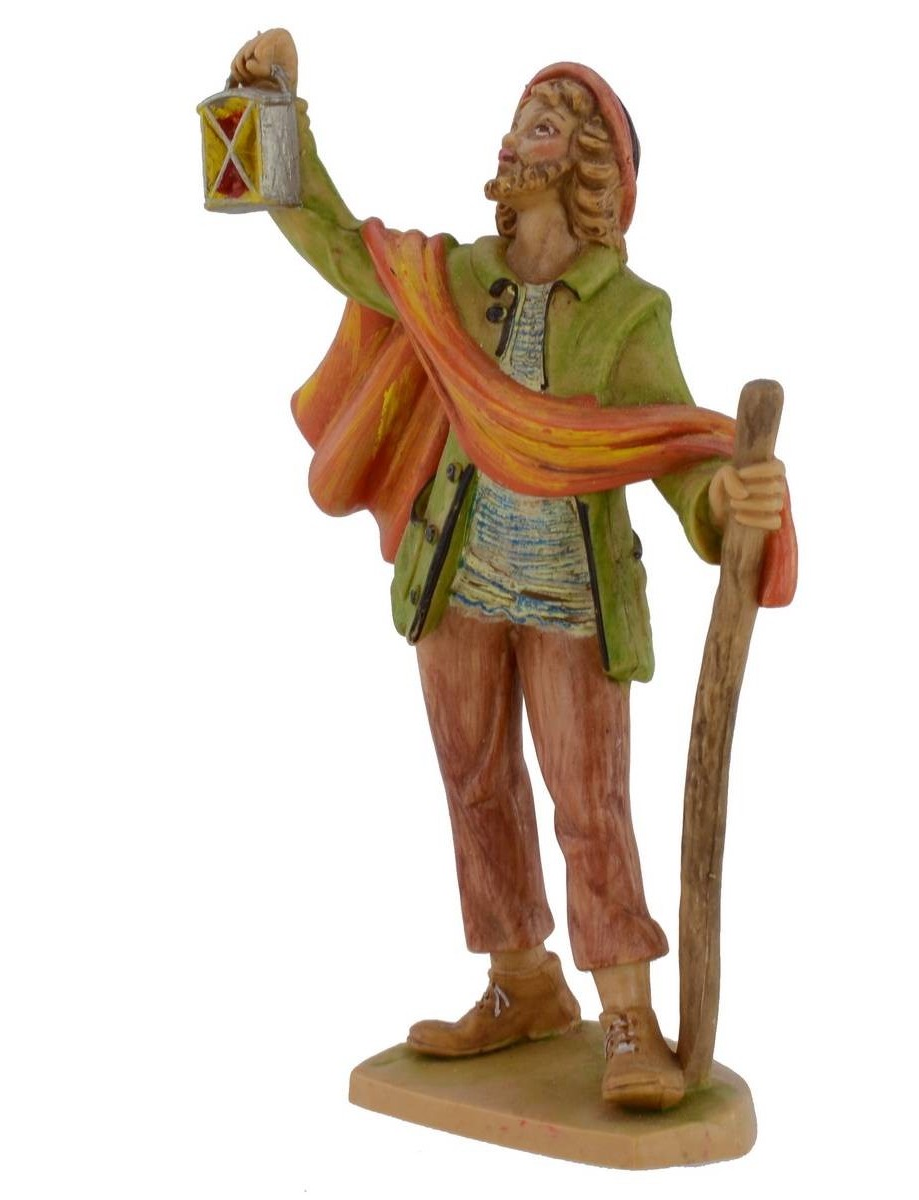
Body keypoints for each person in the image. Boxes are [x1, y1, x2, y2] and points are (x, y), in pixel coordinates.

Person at [228, 28, 790, 1111]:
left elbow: (669, 446)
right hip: (458, 578)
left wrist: (722, 500)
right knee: (475, 782)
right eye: (517, 122)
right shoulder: (454, 280)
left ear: (586, 169)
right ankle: (521, 980)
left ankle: (626, 1014)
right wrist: (277, 114)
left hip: (573, 598)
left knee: (588, 803)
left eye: (537, 128)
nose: (511, 142)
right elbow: (338, 243)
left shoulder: (629, 312)